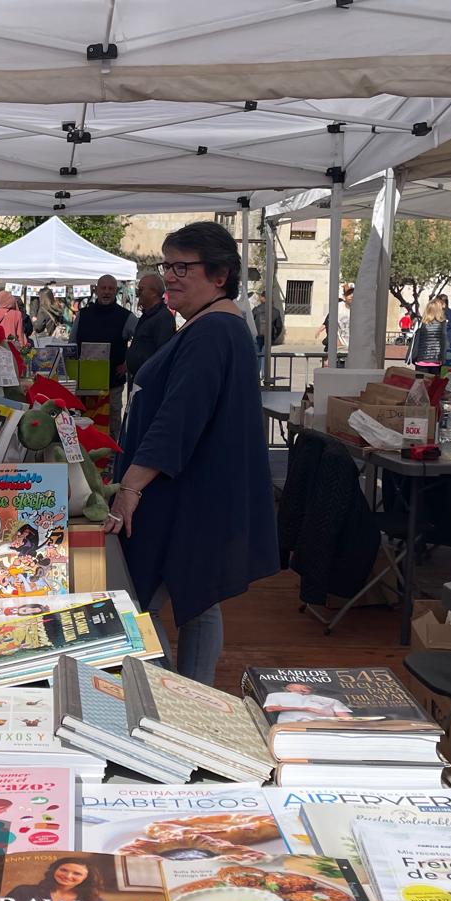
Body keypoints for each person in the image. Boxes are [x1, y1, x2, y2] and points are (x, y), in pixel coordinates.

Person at [104, 221, 277, 685]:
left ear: (219, 275)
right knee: (198, 599)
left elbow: (178, 419)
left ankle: (174, 697)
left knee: (138, 601)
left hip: (180, 490)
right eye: (167, 265)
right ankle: (193, 694)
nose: (170, 277)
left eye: (183, 266)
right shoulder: (212, 325)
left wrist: (130, 488)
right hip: (191, 488)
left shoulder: (213, 331)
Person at [71, 274, 134, 440]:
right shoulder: (83, 315)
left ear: (116, 291)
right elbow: (71, 345)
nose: (106, 292)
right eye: (103, 288)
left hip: (112, 383)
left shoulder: (126, 317)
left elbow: (142, 341)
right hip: (84, 384)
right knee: (84, 423)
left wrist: (129, 363)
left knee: (112, 423)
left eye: (111, 288)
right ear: (96, 290)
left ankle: (112, 459)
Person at [125, 272, 175, 382]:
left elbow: (163, 354)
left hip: (149, 381)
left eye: (141, 290)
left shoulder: (163, 318)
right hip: (139, 378)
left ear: (153, 293)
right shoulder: (148, 315)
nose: (138, 294)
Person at [260, 681, 354, 723]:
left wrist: (342, 720)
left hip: (324, 724)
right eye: (301, 684)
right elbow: (270, 708)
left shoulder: (317, 697)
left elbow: (337, 706)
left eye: (308, 686)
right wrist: (304, 708)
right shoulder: (276, 695)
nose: (307, 686)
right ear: (290, 686)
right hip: (294, 724)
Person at [408, 296, 448, 368]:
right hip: (436, 361)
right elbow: (445, 342)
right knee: (435, 379)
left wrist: (414, 357)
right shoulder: (443, 323)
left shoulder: (421, 323)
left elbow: (415, 340)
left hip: (421, 360)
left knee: (420, 379)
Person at [317, 284, 353, 350]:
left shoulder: (361, 308)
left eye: (353, 293)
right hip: (339, 347)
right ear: (344, 296)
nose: (351, 296)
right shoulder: (338, 307)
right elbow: (329, 323)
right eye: (348, 294)